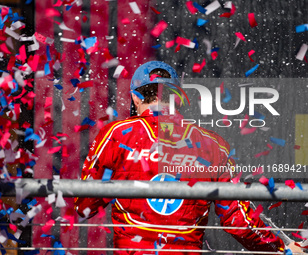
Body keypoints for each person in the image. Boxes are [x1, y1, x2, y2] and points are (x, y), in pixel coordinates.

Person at [75, 61, 304, 254]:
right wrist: (282, 249)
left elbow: (84, 204)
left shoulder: (116, 134)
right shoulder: (213, 144)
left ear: (135, 98)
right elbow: (238, 220)